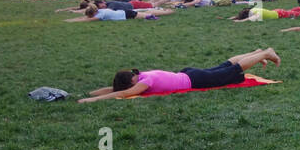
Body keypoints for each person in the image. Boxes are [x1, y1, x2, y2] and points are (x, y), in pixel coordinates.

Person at [78, 48, 281, 101]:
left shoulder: (144, 82)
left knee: (232, 70)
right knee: (226, 65)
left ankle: (264, 53)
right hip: (190, 74)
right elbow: (117, 89)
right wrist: (89, 94)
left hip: (194, 79)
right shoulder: (139, 75)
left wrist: (92, 101)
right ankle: (256, 53)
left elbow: (120, 94)